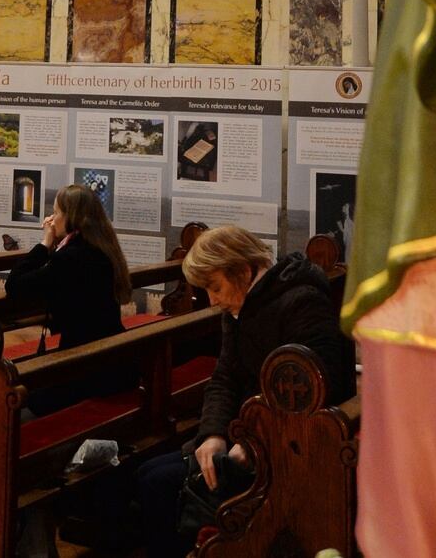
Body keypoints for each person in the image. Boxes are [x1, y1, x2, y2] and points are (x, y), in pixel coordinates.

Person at [136, 225, 354, 558]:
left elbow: (318, 390)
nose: (212, 300)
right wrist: (212, 435)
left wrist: (253, 443)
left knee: (157, 486)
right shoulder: (240, 303)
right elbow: (225, 377)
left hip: (291, 447)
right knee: (146, 473)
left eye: (215, 287)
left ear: (241, 270)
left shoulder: (302, 302)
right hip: (247, 434)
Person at [4, 184, 132, 413]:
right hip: (112, 357)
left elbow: (15, 286)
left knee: (17, 402)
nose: (52, 219)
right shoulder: (101, 248)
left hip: (85, 369)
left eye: (56, 212)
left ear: (71, 217)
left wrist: (44, 243)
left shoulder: (71, 258)